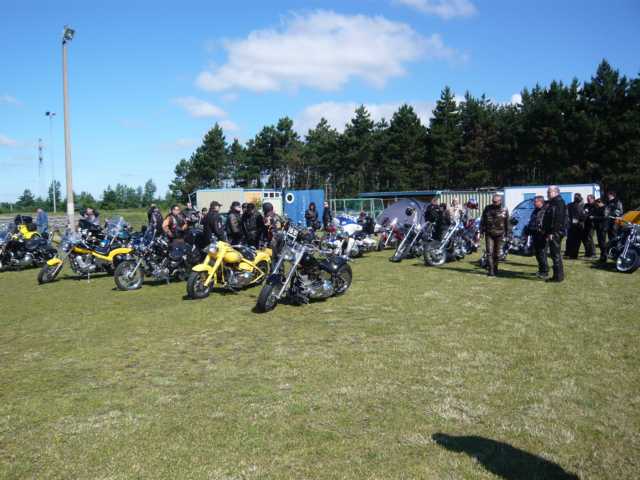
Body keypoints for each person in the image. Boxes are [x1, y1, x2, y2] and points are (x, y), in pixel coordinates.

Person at [480, 194, 510, 277]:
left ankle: (495, 268)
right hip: (489, 233)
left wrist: (507, 234)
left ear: (500, 201)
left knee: (496, 254)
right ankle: (491, 270)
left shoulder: (504, 209)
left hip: (500, 234)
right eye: (493, 201)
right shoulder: (487, 208)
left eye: (495, 201)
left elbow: (507, 222)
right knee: (489, 252)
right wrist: (481, 231)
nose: (494, 203)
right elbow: (483, 220)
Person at [542, 185, 567, 282]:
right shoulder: (553, 202)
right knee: (554, 254)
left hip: (556, 232)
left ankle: (558, 277)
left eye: (549, 192)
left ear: (556, 192)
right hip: (554, 231)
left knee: (555, 254)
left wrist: (552, 232)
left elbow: (557, 219)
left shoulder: (558, 202)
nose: (547, 194)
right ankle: (557, 276)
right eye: (547, 192)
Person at [525, 196, 548, 279]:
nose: (534, 203)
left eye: (535, 202)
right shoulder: (535, 210)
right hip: (535, 234)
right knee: (538, 254)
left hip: (542, 235)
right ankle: (541, 270)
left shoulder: (545, 210)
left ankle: (545, 271)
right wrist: (528, 230)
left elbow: (545, 224)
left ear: (540, 202)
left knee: (542, 253)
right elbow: (532, 221)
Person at [564, 193, 585, 259]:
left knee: (577, 241)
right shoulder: (571, 205)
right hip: (572, 225)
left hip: (579, 225)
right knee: (570, 240)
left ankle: (574, 254)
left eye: (577, 197)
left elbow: (584, 216)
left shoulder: (583, 205)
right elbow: (566, 212)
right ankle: (568, 252)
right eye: (575, 197)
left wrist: (580, 221)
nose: (576, 198)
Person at [591, 198, 608, 262]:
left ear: (600, 202)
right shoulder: (598, 208)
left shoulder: (605, 208)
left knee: (602, 242)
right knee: (600, 242)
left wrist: (594, 217)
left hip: (603, 227)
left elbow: (604, 217)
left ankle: (604, 256)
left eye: (597, 203)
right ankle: (602, 256)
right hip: (598, 227)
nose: (596, 205)